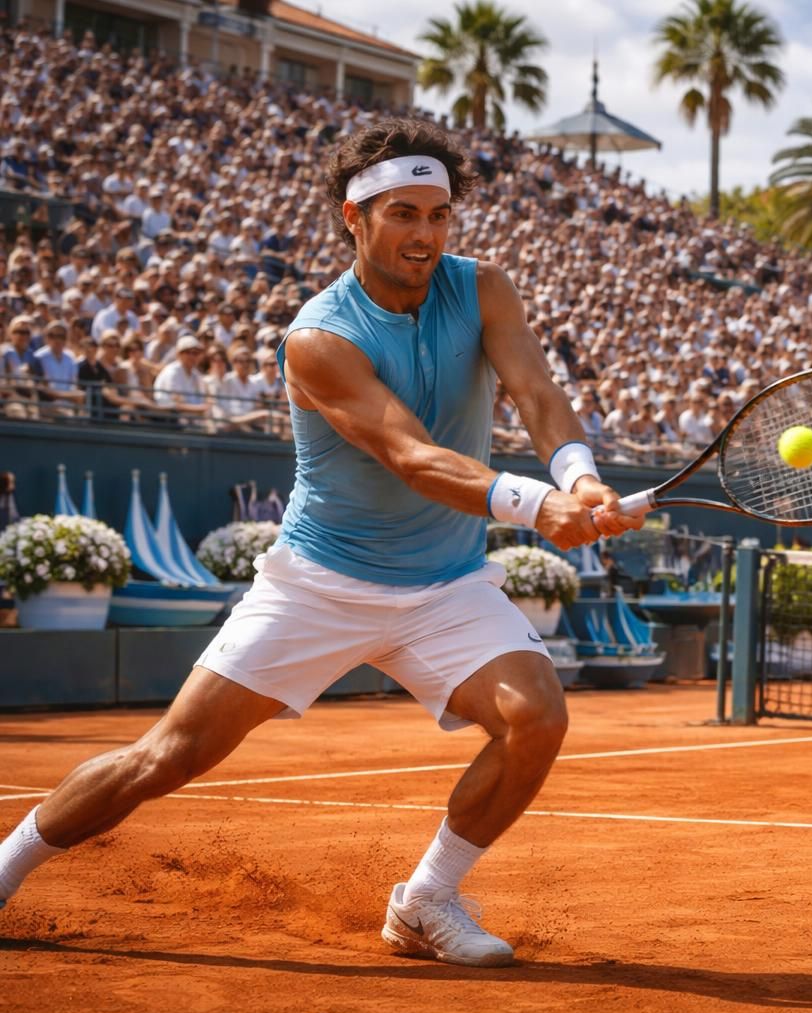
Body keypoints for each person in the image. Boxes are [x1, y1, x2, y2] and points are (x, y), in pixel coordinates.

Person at [0, 118, 646, 967]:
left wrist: (582, 477)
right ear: (354, 217)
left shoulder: (484, 288)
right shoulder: (318, 337)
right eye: (403, 214)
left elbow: (536, 390)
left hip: (444, 585)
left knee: (537, 718)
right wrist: (534, 505)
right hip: (320, 581)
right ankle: (8, 866)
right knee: (168, 755)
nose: (425, 234)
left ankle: (424, 903)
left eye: (439, 215)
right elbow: (410, 456)